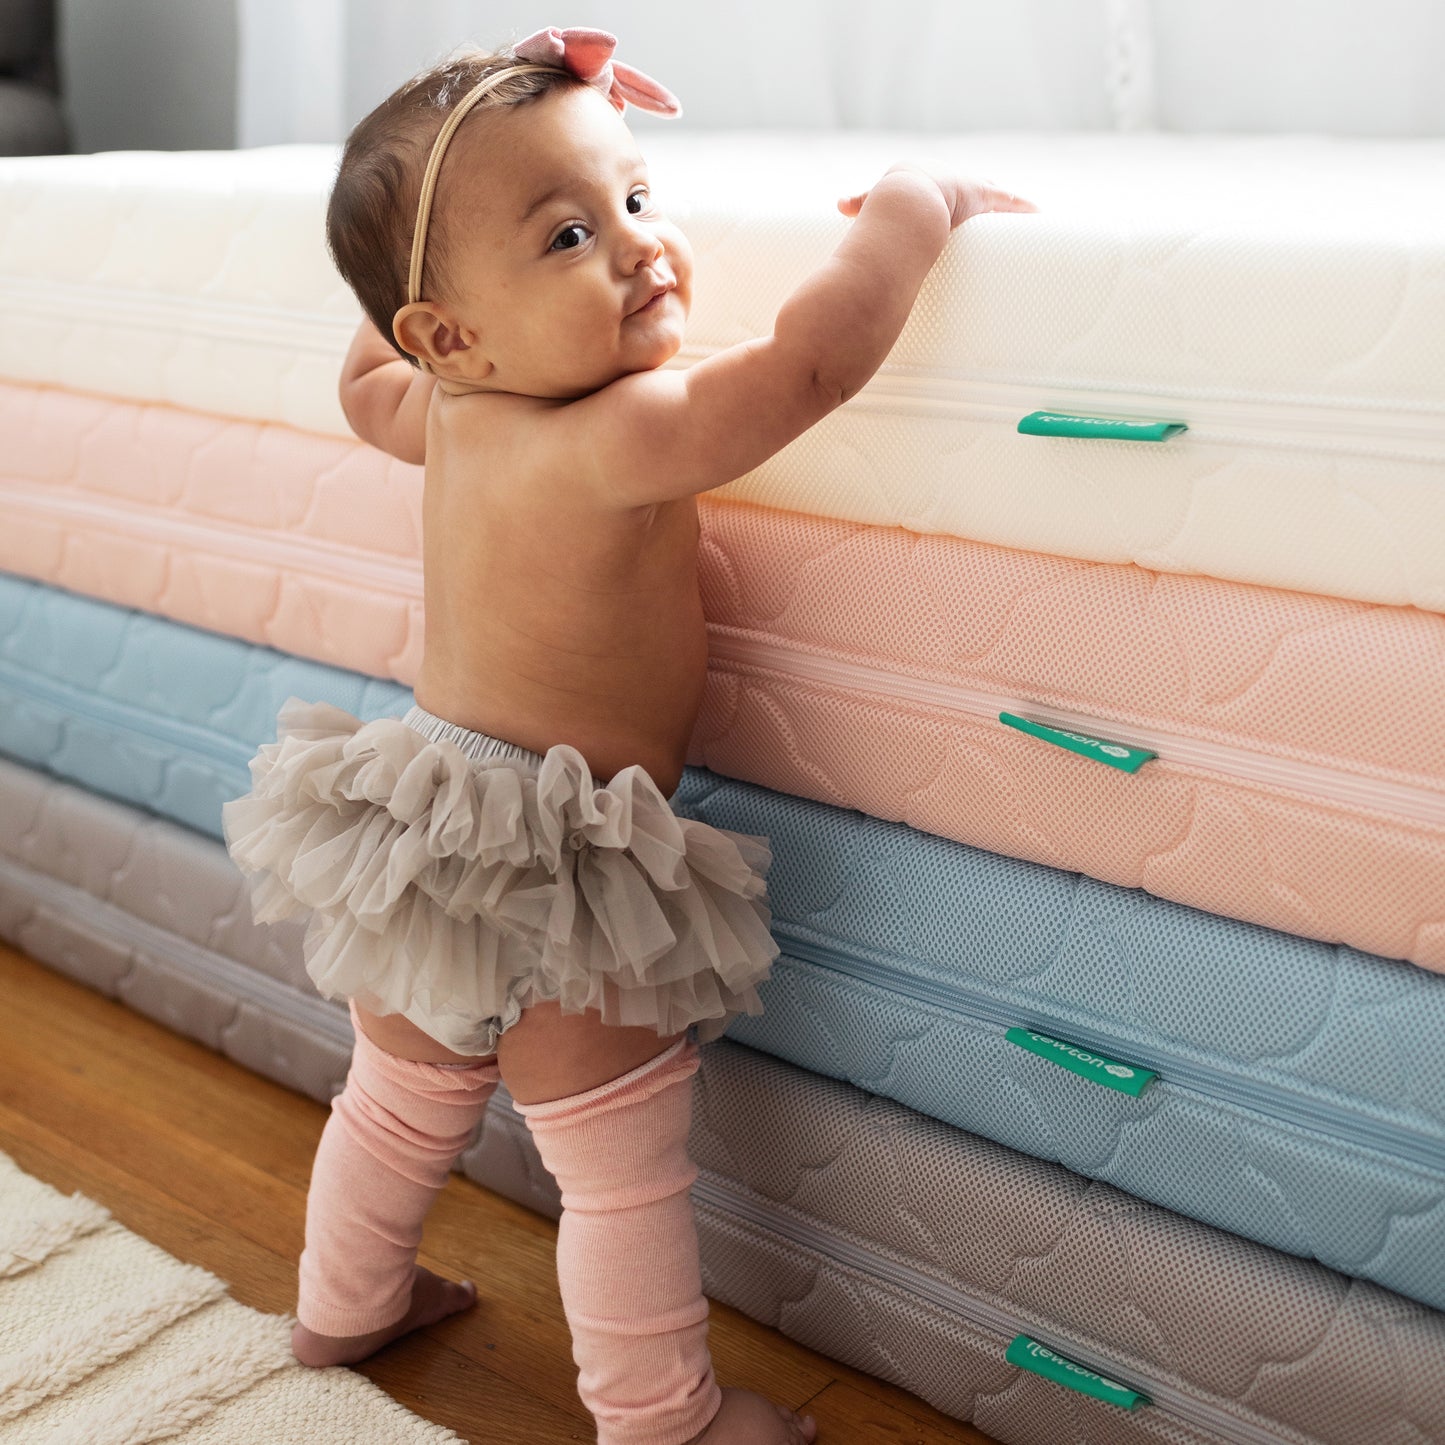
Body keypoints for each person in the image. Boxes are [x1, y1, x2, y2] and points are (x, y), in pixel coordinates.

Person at [224, 25, 1034, 1445]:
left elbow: (362, 385)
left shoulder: (449, 408)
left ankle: (344, 1302)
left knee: (399, 1098)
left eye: (637, 203)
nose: (641, 250)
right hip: (568, 851)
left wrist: (415, 291)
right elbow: (806, 370)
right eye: (568, 236)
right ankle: (663, 1417)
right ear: (452, 329)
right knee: (616, 1168)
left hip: (417, 817)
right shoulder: (621, 431)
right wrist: (914, 204)